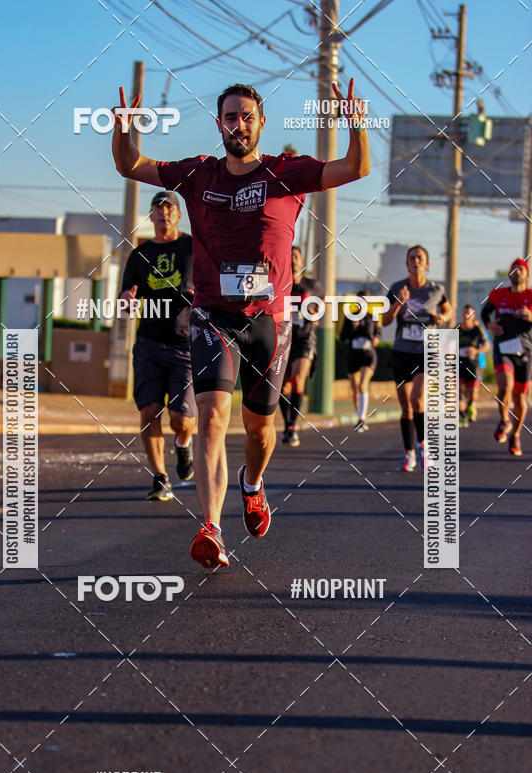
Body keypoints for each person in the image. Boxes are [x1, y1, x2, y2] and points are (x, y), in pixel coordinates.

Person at [112, 78, 370, 567]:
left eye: (247, 116)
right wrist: (124, 130)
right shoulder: (198, 175)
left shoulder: (285, 174)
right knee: (210, 415)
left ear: (261, 123)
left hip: (269, 322)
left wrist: (356, 123)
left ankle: (252, 485)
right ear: (219, 124)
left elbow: (356, 167)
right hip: (213, 316)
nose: (239, 124)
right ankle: (211, 527)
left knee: (260, 431)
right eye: (230, 117)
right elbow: (129, 164)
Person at [120, 191, 195, 500]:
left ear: (177, 215)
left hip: (185, 347)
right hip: (149, 344)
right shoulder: (139, 255)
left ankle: (183, 443)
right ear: (150, 216)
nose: (163, 213)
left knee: (180, 420)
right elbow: (125, 300)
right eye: (157, 208)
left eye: (169, 208)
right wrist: (127, 300)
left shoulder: (193, 247)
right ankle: (160, 477)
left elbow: (214, 282)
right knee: (149, 411)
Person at [382, 245, 451, 471]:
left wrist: (441, 317)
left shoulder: (436, 290)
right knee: (405, 406)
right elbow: (384, 321)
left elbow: (448, 311)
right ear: (407, 264)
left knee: (417, 399)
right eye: (411, 258)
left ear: (427, 264)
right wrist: (398, 304)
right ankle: (409, 452)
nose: (416, 261)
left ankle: (423, 446)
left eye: (420, 258)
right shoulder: (397, 288)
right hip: (402, 350)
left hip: (426, 350)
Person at [481, 257, 532, 456]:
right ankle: (505, 420)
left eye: (520, 269)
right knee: (505, 386)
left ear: (526, 274)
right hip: (503, 346)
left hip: (525, 350)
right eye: (513, 268)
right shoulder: (498, 294)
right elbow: (485, 314)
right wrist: (490, 325)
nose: (516, 271)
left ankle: (516, 434)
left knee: (520, 397)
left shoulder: (530, 296)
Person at [278, 245, 322, 446]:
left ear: (302, 261)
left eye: (296, 255)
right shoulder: (279, 283)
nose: (292, 258)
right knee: (283, 386)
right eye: (289, 255)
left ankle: (292, 426)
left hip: (305, 339)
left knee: (297, 379)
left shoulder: (313, 285)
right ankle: (287, 423)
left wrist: (316, 314)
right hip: (283, 339)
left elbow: (322, 303)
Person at [340, 289, 381, 431]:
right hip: (353, 354)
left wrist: (375, 339)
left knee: (363, 384)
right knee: (355, 387)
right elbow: (342, 337)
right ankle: (359, 416)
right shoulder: (350, 317)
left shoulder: (373, 317)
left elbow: (378, 335)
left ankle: (362, 418)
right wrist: (353, 327)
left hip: (368, 354)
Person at [458, 304, 489, 427]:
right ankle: (461, 415)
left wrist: (476, 351)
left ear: (473, 316)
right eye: (465, 313)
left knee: (472, 393)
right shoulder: (457, 329)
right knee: (458, 391)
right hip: (459, 364)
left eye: (469, 313)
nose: (466, 316)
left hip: (473, 365)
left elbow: (487, 346)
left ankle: (471, 404)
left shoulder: (477, 330)